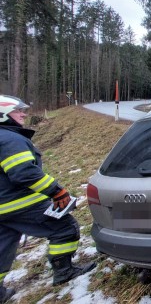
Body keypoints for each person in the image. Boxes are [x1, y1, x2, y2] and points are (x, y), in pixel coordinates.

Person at [0, 95, 96, 302]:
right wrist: (57, 192)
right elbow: (24, 173)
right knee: (64, 227)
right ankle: (64, 271)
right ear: (3, 115)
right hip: (17, 204)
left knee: (3, 248)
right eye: (18, 111)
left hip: (3, 208)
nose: (24, 114)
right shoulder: (10, 139)